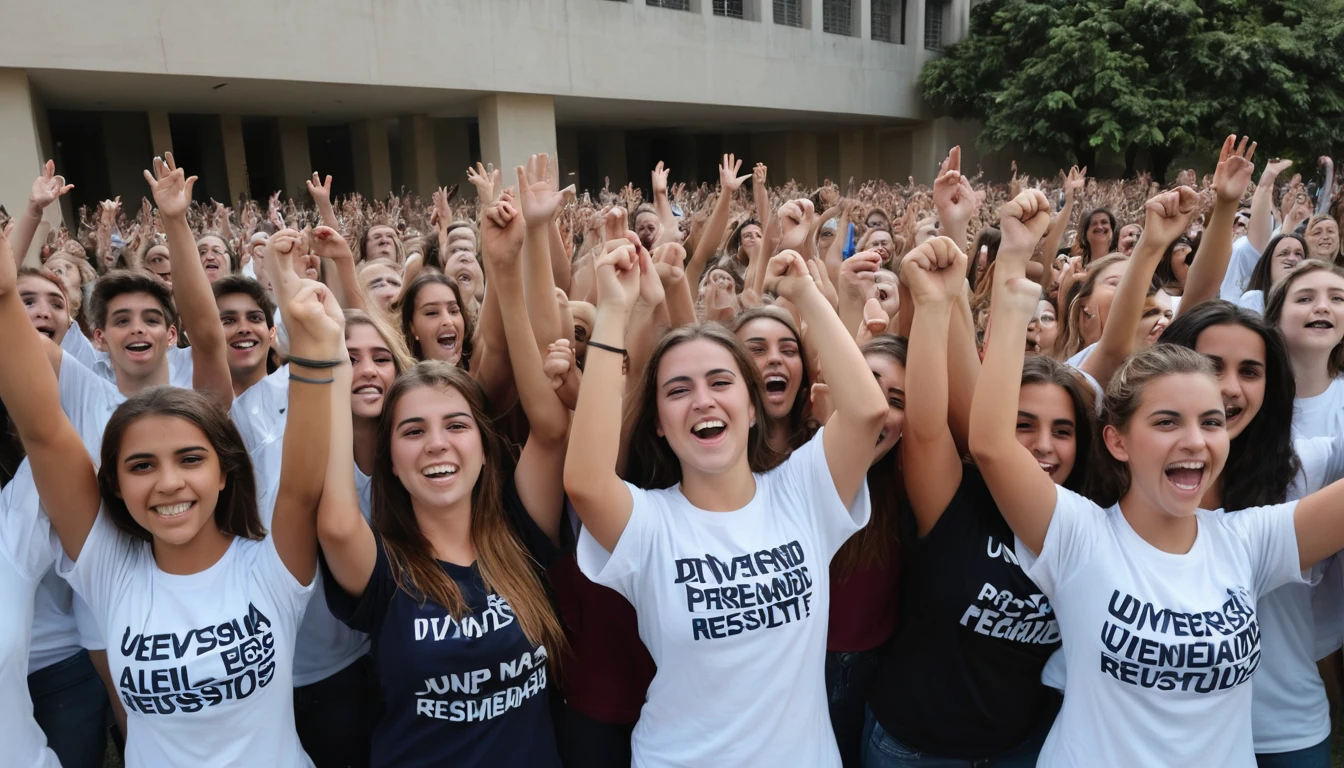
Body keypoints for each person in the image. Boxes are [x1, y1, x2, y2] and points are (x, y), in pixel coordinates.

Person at [969, 187, 1344, 767]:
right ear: (1116, 440)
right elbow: (991, 443)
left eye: (1211, 422)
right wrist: (1015, 280)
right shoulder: (1077, 537)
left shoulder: (1248, 542)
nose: (1195, 441)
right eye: (1167, 421)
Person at [0, 211, 342, 765]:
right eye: (140, 466)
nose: (168, 483)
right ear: (112, 482)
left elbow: (302, 486)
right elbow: (43, 430)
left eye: (190, 458)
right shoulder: (108, 566)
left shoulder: (271, 564)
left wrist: (316, 345)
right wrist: (2, 296)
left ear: (225, 470)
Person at [566, 208, 888, 766]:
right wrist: (614, 312)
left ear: (751, 406)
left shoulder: (801, 492)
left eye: (721, 382)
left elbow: (865, 412)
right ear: (660, 424)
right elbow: (587, 482)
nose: (703, 401)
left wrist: (807, 293)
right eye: (678, 390)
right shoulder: (649, 524)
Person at [318, 195, 570, 767]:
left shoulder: (521, 536)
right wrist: (328, 357)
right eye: (412, 431)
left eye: (456, 425)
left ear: (484, 445)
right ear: (390, 458)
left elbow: (551, 433)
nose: (436, 443)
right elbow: (333, 517)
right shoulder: (381, 567)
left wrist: (504, 270)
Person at [865, 238, 1082, 768]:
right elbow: (924, 426)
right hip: (914, 750)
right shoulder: (957, 499)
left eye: (1063, 430)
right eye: (1023, 426)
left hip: (1019, 749)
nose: (1044, 446)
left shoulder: (1088, 523)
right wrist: (937, 307)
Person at [730, 306, 813, 452]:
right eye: (757, 350)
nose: (775, 358)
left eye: (788, 351)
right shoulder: (715, 457)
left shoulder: (822, 447)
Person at [400, 272, 472, 367]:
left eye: (454, 311)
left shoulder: (477, 370)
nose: (448, 321)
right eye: (432, 313)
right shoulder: (400, 380)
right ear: (412, 327)